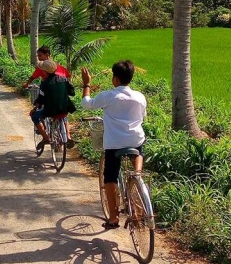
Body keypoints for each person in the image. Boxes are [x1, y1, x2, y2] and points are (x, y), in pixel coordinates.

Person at [80, 61, 147, 229]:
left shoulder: (108, 96)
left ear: (115, 79)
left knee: (110, 177)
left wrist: (86, 84)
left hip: (115, 143)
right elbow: (142, 117)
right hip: (135, 139)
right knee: (138, 151)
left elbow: (86, 104)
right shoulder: (140, 97)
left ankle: (113, 217)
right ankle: (137, 176)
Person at [31, 60, 76, 155]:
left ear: (45, 71)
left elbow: (40, 99)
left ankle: (46, 137)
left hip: (50, 110)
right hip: (64, 108)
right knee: (64, 117)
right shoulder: (64, 79)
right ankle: (68, 137)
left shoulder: (45, 83)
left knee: (34, 116)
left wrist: (35, 108)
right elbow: (72, 92)